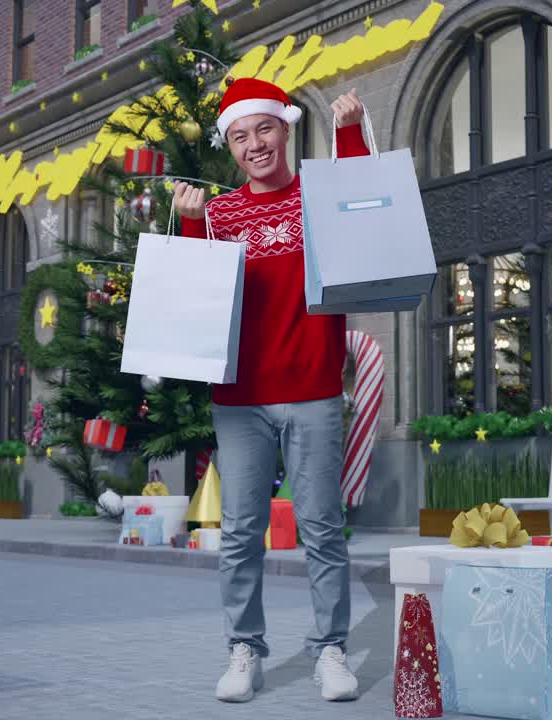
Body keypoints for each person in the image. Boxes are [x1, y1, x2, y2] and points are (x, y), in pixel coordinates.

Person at [172, 77, 370, 704]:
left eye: (263, 129)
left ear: (285, 128)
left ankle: (332, 649)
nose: (254, 144)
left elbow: (365, 209)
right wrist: (187, 226)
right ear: (230, 147)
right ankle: (244, 650)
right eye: (239, 136)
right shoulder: (220, 213)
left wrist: (347, 133)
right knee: (239, 531)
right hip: (239, 398)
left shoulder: (319, 194)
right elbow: (192, 297)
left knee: (322, 526)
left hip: (313, 388)